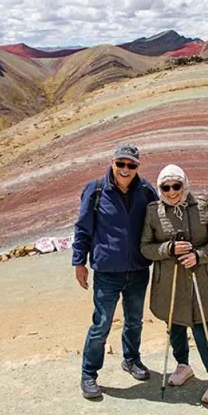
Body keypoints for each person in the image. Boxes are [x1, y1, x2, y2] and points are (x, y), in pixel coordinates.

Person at [72, 144, 158, 399]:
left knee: (134, 321)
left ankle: (131, 359)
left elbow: (159, 222)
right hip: (107, 272)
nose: (125, 169)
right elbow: (83, 228)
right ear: (112, 163)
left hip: (138, 269)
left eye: (131, 165)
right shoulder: (96, 190)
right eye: (121, 164)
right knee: (101, 324)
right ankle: (89, 374)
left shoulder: (146, 191)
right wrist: (79, 262)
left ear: (137, 168)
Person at [140, 165, 208, 404]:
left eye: (176, 186)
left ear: (184, 185)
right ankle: (182, 365)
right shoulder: (153, 212)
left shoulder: (202, 206)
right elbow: (145, 247)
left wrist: (199, 255)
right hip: (169, 281)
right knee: (175, 326)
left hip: (200, 279)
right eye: (165, 187)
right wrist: (168, 249)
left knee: (203, 330)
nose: (171, 192)